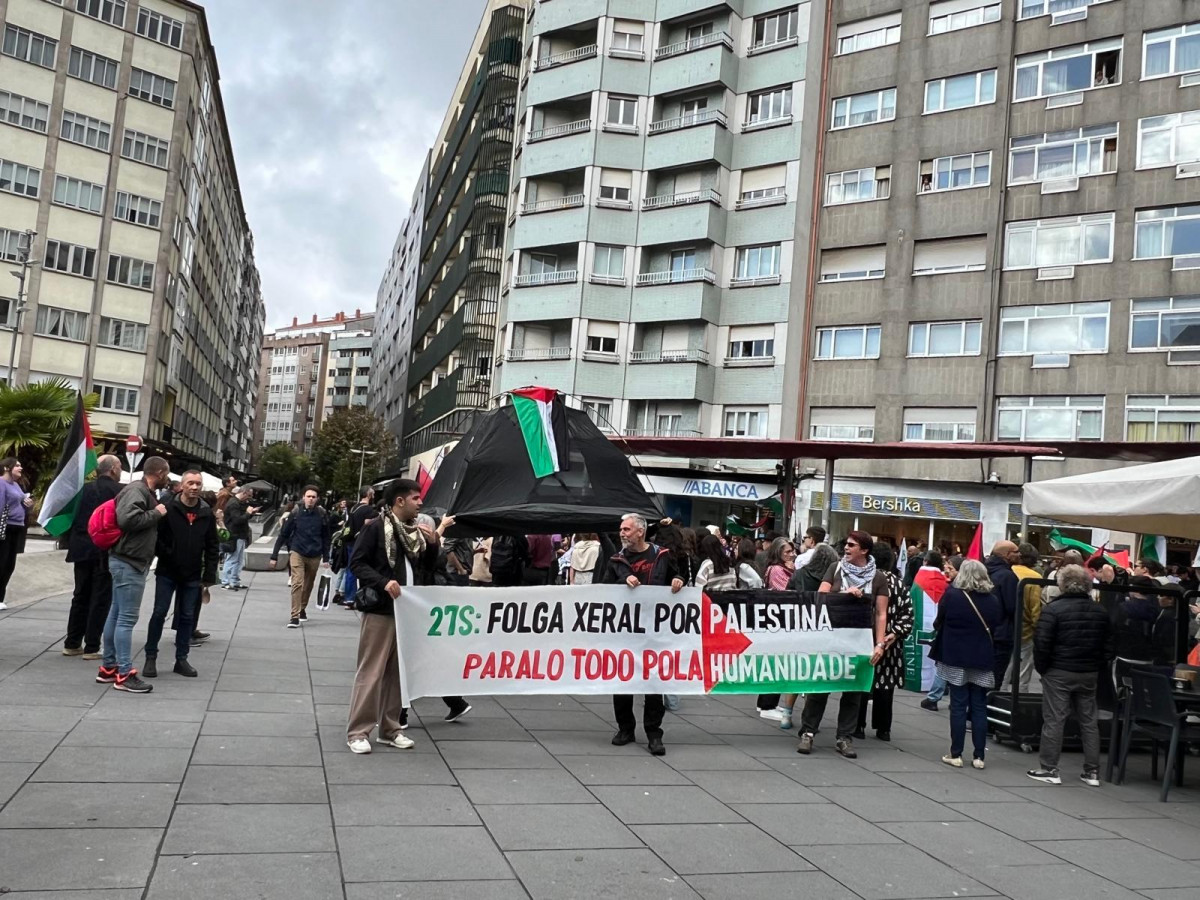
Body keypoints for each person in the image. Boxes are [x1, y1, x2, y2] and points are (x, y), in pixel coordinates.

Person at [344, 478, 436, 753]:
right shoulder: (375, 528)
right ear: (400, 501)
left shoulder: (415, 532)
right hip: (382, 610)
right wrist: (383, 582)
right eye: (415, 498)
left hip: (407, 612)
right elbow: (357, 563)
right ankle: (358, 731)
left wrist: (433, 545)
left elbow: (427, 569)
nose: (420, 502)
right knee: (371, 671)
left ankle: (390, 728)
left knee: (398, 673)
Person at [796, 530, 889, 759]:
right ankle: (808, 732)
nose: (846, 548)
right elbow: (821, 597)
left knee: (854, 691)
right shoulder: (836, 568)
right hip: (831, 638)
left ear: (864, 550)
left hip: (859, 642)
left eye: (851, 545)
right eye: (846, 544)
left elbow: (881, 613)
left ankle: (844, 737)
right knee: (820, 686)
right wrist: (845, 594)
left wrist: (880, 644)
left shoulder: (878, 578)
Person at [601, 513, 684, 755]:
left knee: (654, 683)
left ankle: (654, 733)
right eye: (621, 529)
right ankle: (625, 728)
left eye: (626, 529)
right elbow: (603, 590)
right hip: (625, 630)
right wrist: (621, 581)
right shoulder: (616, 559)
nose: (622, 533)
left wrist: (678, 579)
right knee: (623, 681)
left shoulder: (662, 555)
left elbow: (679, 575)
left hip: (655, 631)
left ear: (640, 531)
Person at [1027, 564, 1114, 787]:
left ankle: (1049, 768)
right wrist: (1098, 663)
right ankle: (1092, 771)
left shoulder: (1054, 610)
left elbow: (1042, 643)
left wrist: (1043, 668)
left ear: (1062, 585)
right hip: (1088, 671)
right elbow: (1110, 644)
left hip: (1059, 670)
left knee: (1055, 719)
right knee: (1088, 721)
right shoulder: (1100, 611)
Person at [97, 456, 171, 693]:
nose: (167, 478)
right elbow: (127, 519)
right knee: (126, 619)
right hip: (129, 562)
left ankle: (109, 667)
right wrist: (157, 513)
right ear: (159, 472)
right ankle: (124, 673)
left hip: (125, 561)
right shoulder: (137, 490)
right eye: (166, 473)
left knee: (116, 614)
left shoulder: (140, 490)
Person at [144, 470, 218, 679]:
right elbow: (156, 537)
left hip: (192, 574)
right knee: (159, 613)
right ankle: (151, 657)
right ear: (182, 485)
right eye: (191, 483)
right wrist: (168, 553)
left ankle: (181, 658)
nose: (195, 487)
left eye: (198, 484)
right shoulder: (169, 507)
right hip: (168, 571)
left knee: (187, 617)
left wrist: (209, 575)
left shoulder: (205, 512)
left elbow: (212, 545)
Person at [930, 559, 1003, 769]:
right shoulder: (992, 600)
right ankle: (979, 756)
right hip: (982, 656)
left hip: (955, 656)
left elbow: (938, 621)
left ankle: (956, 753)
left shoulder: (952, 595)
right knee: (979, 706)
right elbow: (997, 624)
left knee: (958, 704)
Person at [63, 454, 122, 657]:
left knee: (80, 595)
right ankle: (92, 646)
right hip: (104, 550)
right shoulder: (119, 491)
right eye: (120, 466)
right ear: (113, 469)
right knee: (100, 597)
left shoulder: (82, 490)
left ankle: (72, 642)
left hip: (80, 548)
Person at [856, 543, 913, 741]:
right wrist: (895, 633)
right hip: (890, 643)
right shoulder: (899, 584)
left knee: (862, 684)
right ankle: (883, 728)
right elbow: (908, 614)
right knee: (885, 686)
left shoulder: (865, 580)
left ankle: (858, 725)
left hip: (864, 639)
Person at [270, 485, 332, 628]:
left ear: (317, 499)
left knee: (308, 584)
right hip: (297, 551)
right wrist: (274, 555)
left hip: (315, 554)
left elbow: (326, 537)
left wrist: (327, 558)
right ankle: (295, 616)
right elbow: (283, 534)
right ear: (303, 497)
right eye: (308, 496)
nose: (310, 499)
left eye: (313, 497)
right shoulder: (296, 513)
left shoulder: (322, 514)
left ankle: (302, 607)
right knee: (297, 582)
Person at [919, 552, 955, 711]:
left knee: (943, 666)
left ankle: (934, 698)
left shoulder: (953, 591)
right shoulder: (984, 595)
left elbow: (942, 614)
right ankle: (956, 700)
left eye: (952, 568)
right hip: (971, 640)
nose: (947, 570)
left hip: (950, 634)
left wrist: (937, 625)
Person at [984, 540, 1020, 685]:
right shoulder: (1007, 576)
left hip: (985, 631)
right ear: (1006, 555)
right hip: (1002, 634)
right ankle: (987, 706)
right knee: (995, 678)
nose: (1019, 554)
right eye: (1016, 552)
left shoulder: (984, 571)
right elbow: (1012, 606)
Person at [1009, 543, 1044, 692]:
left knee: (1005, 669)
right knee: (1023, 672)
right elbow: (1035, 608)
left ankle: (997, 700)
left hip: (1006, 628)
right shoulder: (1035, 577)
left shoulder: (1008, 571)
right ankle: (1019, 700)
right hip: (1026, 631)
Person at [0, 458, 33, 610]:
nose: (20, 468)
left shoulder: (16, 486)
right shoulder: (2, 483)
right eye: (17, 465)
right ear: (7, 467)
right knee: (2, 562)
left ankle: (1, 596)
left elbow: (21, 503)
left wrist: (27, 505)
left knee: (9, 564)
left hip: (17, 527)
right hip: (6, 526)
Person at [340, 486, 378, 607]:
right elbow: (367, 524)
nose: (374, 496)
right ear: (368, 495)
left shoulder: (354, 508)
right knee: (358, 569)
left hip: (350, 541)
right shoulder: (368, 510)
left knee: (349, 570)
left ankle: (348, 597)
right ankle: (352, 598)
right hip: (360, 543)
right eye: (373, 494)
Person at [220, 487, 259, 590]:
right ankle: (226, 581)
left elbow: (241, 519)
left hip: (240, 534)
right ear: (244, 493)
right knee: (232, 558)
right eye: (249, 496)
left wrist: (250, 514)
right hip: (235, 535)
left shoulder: (237, 503)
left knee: (239, 559)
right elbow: (237, 520)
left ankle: (234, 580)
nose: (248, 499)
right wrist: (248, 513)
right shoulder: (234, 504)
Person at [695, 533, 762, 590]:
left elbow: (698, 586)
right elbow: (733, 583)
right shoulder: (730, 562)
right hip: (729, 601)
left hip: (711, 601)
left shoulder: (707, 564)